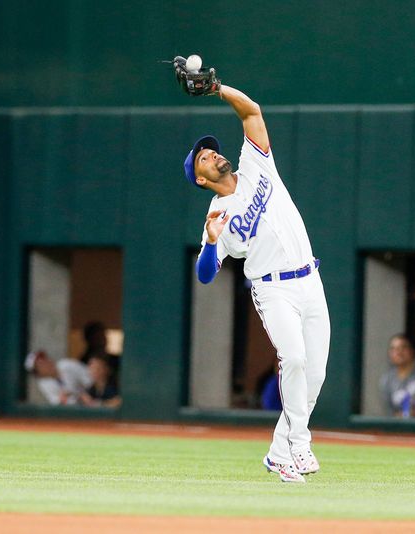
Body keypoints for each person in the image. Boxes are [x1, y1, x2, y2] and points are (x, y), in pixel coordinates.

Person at [182, 83, 330, 483]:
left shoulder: (255, 164)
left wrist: (215, 87)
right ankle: (299, 443)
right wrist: (212, 244)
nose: (212, 154)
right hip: (273, 289)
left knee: (313, 375)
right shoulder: (217, 215)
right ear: (200, 179)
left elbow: (251, 112)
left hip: (310, 279)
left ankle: (278, 453)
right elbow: (205, 274)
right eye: (203, 158)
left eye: (211, 150)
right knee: (294, 359)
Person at [24, 350, 93, 406]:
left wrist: (81, 394)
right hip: (74, 413)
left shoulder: (67, 364)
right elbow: (58, 403)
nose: (45, 362)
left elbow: (92, 380)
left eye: (44, 358)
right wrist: (75, 396)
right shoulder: (44, 384)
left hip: (93, 399)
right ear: (37, 373)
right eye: (40, 364)